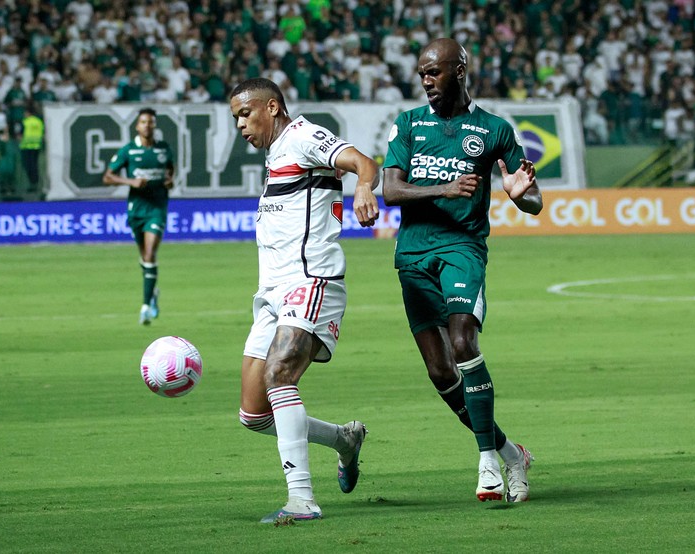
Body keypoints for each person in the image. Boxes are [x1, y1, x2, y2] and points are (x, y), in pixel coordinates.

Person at [382, 38, 542, 504]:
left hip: (462, 248)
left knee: (462, 342)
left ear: (461, 70)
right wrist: (444, 186)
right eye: (421, 73)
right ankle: (511, 451)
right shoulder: (409, 124)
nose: (426, 80)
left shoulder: (493, 129)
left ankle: (487, 461)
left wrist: (518, 193)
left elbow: (533, 199)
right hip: (413, 254)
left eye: (434, 72)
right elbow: (390, 189)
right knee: (439, 372)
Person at [228, 78, 380, 523]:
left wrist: (364, 188)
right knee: (253, 414)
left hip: (312, 279)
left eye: (245, 113)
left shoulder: (304, 136)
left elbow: (363, 162)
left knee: (280, 374)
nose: (240, 124)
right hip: (272, 295)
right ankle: (343, 440)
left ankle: (302, 499)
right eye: (235, 116)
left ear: (272, 107)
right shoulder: (277, 157)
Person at [102, 108, 174, 325]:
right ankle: (152, 292)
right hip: (136, 208)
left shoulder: (163, 149)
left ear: (155, 125)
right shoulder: (128, 150)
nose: (147, 126)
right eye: (143, 122)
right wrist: (130, 182)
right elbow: (107, 176)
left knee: (150, 253)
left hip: (157, 207)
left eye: (151, 122)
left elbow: (170, 170)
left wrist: (170, 180)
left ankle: (145, 306)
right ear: (137, 126)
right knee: (144, 256)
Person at [19, 106, 44, 193]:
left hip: (26, 146)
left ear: (28, 113)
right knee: (35, 165)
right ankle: (36, 182)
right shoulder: (39, 122)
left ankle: (32, 184)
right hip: (37, 146)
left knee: (28, 166)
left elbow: (20, 134)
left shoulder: (26, 121)